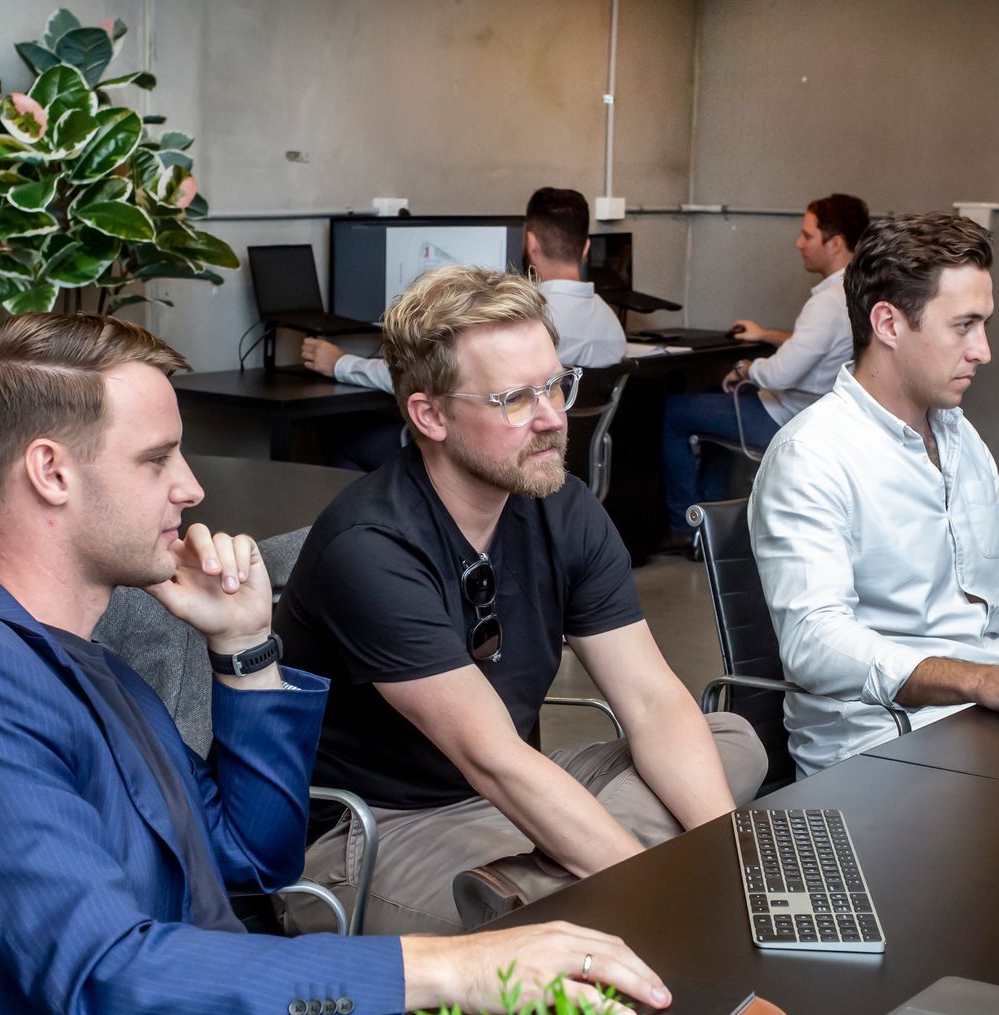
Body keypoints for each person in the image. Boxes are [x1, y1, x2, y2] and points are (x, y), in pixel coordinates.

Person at [0, 312, 671, 1015]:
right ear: (51, 473)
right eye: (157, 460)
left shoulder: (79, 660)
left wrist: (244, 653)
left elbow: (255, 858)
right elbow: (108, 979)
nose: (190, 488)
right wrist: (449, 966)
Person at [275, 265, 766, 935]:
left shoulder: (562, 506)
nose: (553, 418)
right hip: (373, 827)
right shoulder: (371, 547)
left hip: (506, 793)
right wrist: (656, 898)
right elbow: (492, 757)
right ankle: (565, 881)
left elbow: (652, 700)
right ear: (430, 414)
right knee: (581, 895)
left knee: (730, 739)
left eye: (556, 385)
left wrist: (735, 865)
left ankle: (544, 878)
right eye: (514, 399)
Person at [747, 212, 999, 777]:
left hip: (986, 721)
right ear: (888, 323)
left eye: (984, 325)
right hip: (882, 750)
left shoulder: (957, 435)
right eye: (963, 326)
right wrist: (979, 679)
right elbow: (814, 642)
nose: (983, 351)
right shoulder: (813, 454)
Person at [660, 193, 869, 549]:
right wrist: (765, 335)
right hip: (816, 413)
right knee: (711, 399)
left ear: (834, 243)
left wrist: (746, 369)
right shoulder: (856, 292)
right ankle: (709, 526)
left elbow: (780, 375)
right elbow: (816, 344)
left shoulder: (826, 303)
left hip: (783, 416)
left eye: (807, 235)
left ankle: (684, 527)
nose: (799, 243)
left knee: (674, 412)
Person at [301, 187, 627, 394]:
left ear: (529, 243)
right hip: (564, 463)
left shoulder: (520, 322)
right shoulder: (612, 326)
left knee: (345, 444)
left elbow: (425, 378)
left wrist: (341, 363)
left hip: (495, 463)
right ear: (586, 248)